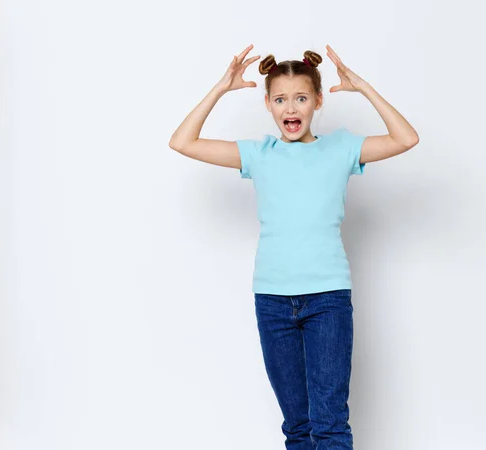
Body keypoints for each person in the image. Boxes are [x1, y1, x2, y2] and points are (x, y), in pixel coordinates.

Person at [169, 44, 419, 450]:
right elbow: (182, 142)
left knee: (330, 425)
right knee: (298, 428)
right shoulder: (258, 154)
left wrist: (362, 86)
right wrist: (219, 88)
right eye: (281, 99)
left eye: (301, 98)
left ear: (317, 101)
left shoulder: (340, 148)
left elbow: (406, 138)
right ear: (267, 104)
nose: (291, 107)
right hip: (272, 301)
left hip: (327, 300)